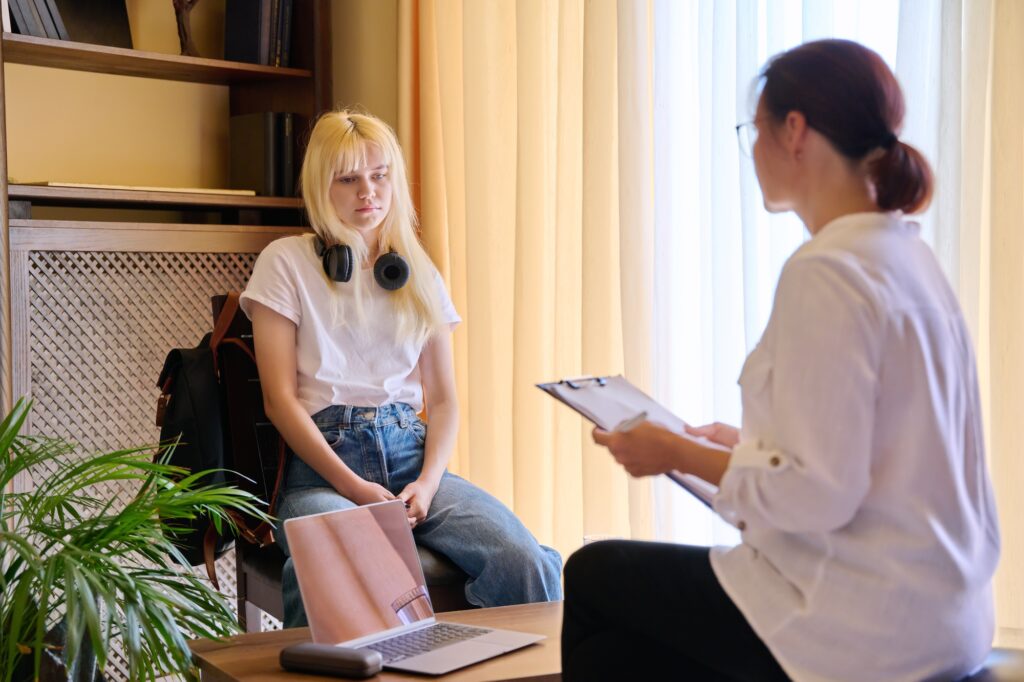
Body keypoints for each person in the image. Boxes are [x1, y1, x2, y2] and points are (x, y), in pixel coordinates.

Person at [562, 39, 1000, 681]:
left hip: (865, 625)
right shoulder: (910, 258)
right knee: (633, 629)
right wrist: (745, 446)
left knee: (595, 575)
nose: (754, 150)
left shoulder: (827, 271)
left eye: (755, 130)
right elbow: (875, 450)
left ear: (794, 131)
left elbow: (816, 496)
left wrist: (674, 453)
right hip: (950, 619)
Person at [240, 110, 562, 628]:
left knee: (523, 560)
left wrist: (429, 485)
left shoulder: (418, 272)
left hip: (412, 457)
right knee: (347, 553)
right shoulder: (286, 262)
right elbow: (279, 401)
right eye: (348, 179)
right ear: (322, 186)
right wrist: (355, 488)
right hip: (323, 470)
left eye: (380, 175)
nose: (368, 191)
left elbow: (445, 399)